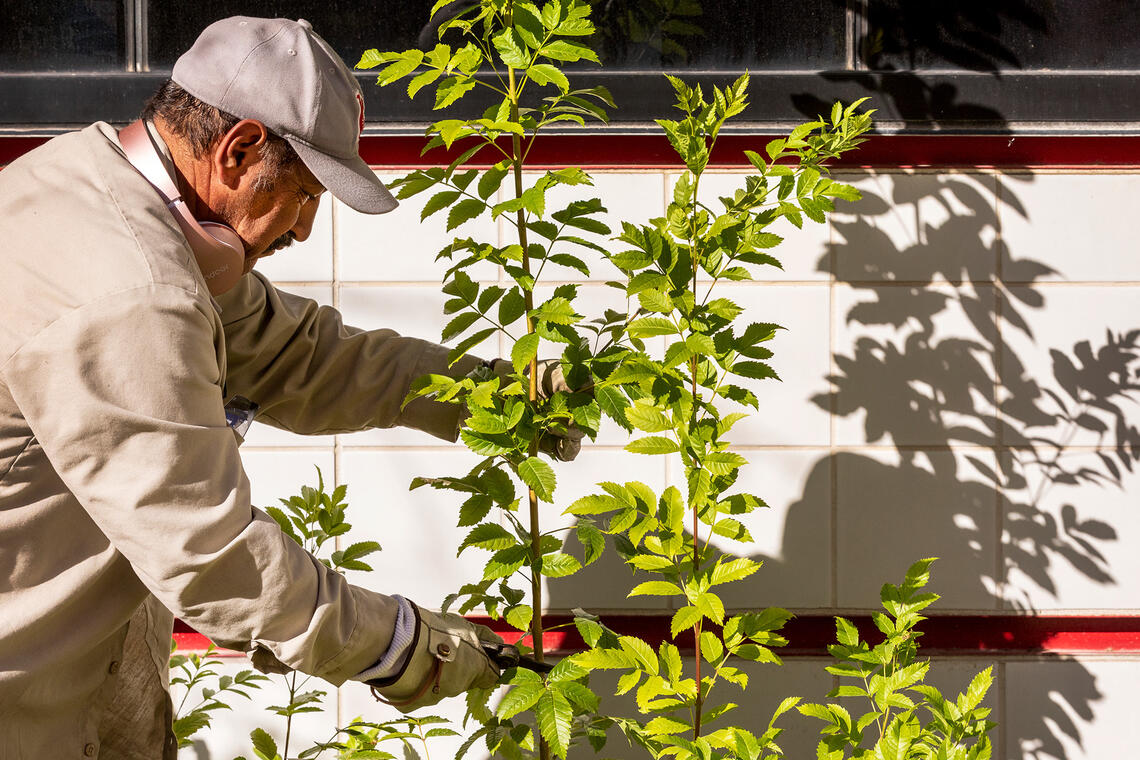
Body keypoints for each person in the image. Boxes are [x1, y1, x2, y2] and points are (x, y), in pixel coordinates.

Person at [0, 16, 578, 759]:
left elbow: (299, 356)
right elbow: (213, 556)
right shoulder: (131, 293)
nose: (304, 229)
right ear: (238, 149)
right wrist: (404, 646)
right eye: (304, 194)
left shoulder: (94, 186)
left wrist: (493, 395)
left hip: (65, 670)